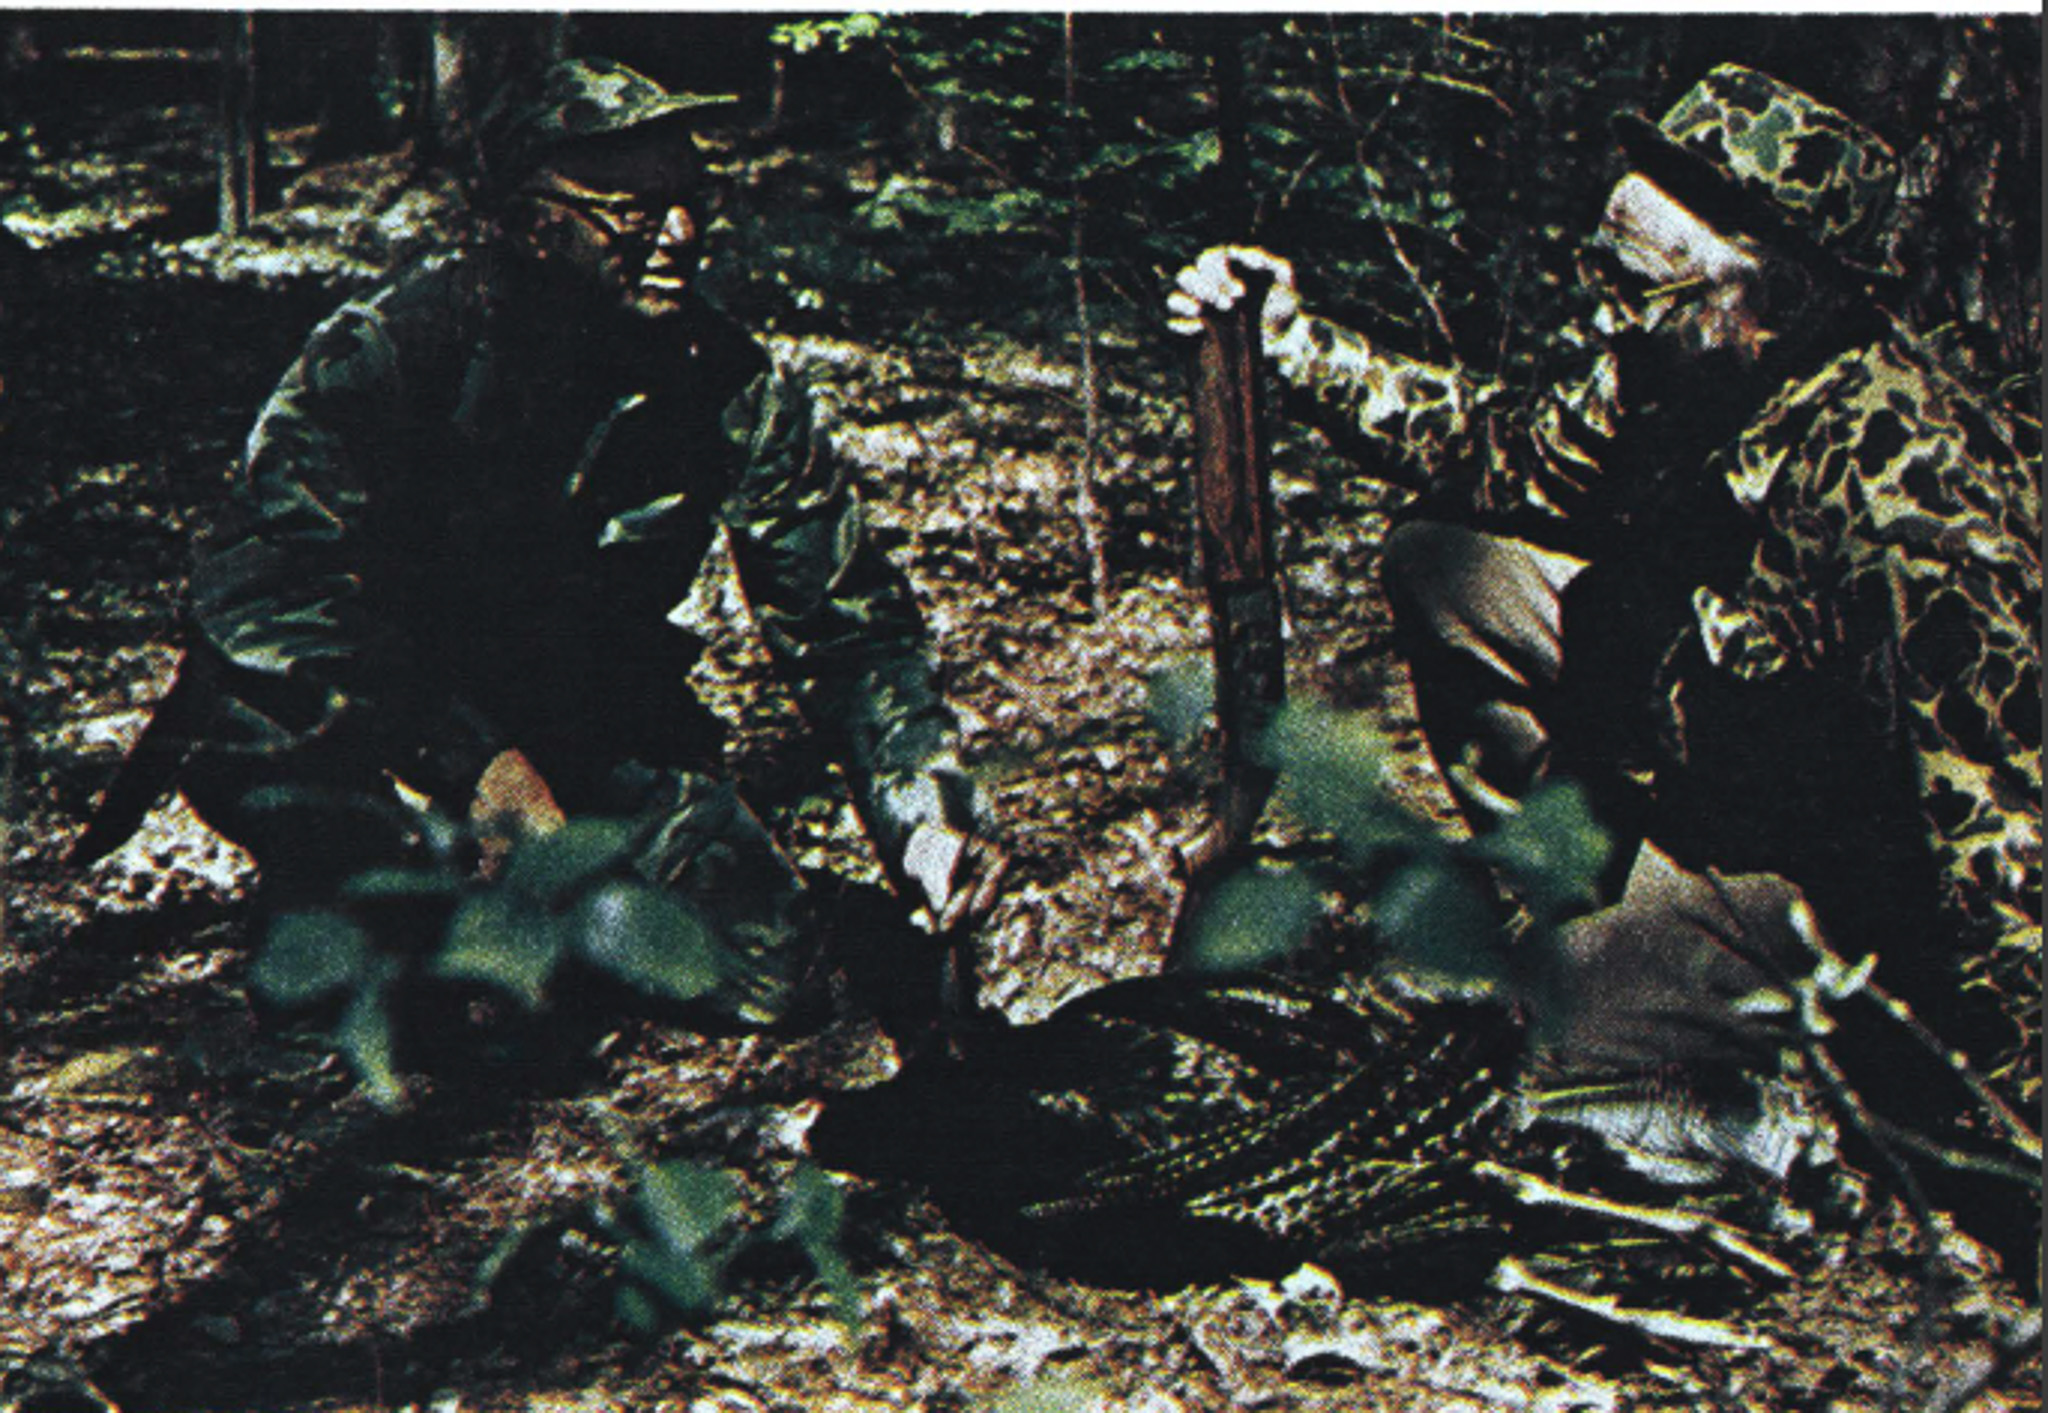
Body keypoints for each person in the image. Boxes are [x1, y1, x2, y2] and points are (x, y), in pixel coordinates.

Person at [1168, 68, 2040, 1103]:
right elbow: (1503, 449)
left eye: (1635, 288)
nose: (1603, 318)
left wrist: (2007, 1115)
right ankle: (1584, 892)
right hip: (1720, 774)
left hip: (1859, 893)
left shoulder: (1912, 506)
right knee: (1447, 567)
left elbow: (2005, 848)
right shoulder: (1681, 363)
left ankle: (1795, 1067)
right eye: (1601, 273)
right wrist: (1292, 343)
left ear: (1769, 301)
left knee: (1565, 1036)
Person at [81, 58, 1001, 1025]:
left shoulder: (725, 382)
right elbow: (261, 596)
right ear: (530, 222)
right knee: (376, 969)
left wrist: (923, 817)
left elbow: (848, 626)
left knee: (767, 973)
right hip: (370, 711)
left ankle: (526, 925)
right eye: (634, 212)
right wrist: (474, 762)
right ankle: (365, 909)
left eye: (693, 201)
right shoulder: (394, 351)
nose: (680, 235)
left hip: (569, 707)